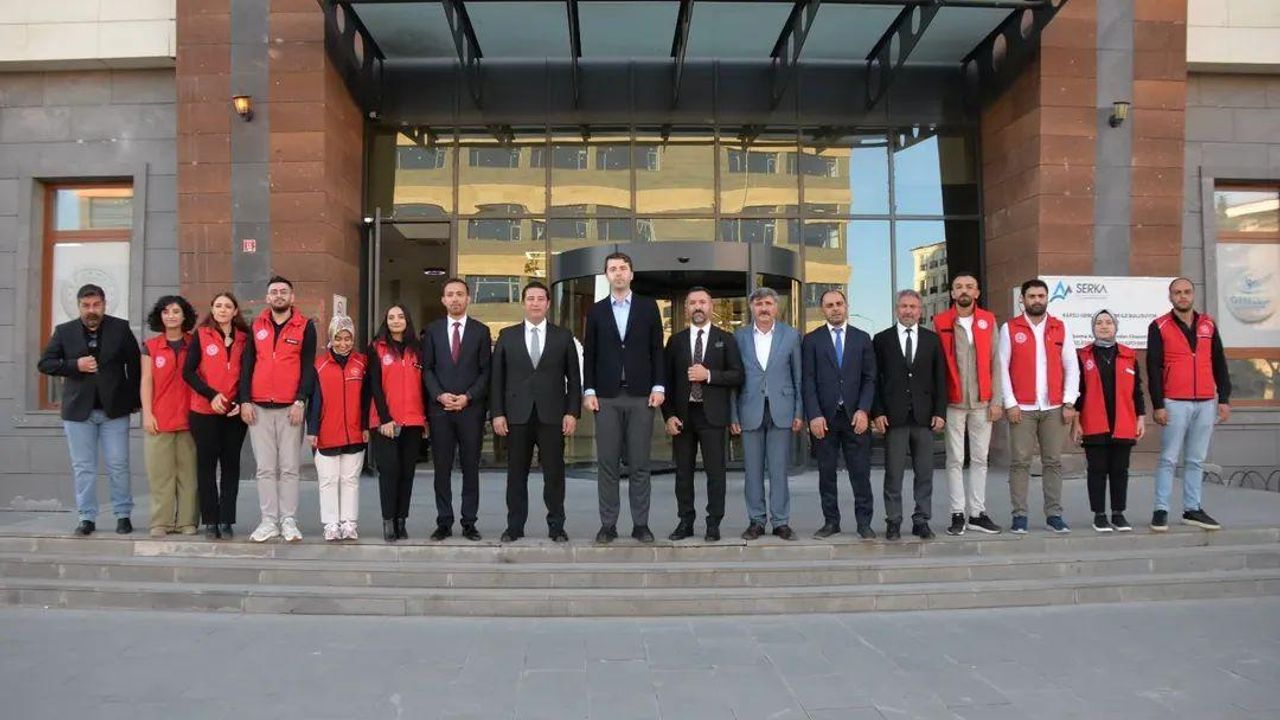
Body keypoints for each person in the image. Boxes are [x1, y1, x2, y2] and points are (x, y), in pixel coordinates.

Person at [37, 284, 141, 536]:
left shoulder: (120, 328)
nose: (91, 310)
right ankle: (86, 517)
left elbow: (135, 366)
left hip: (114, 411)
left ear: (104, 304)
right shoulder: (64, 331)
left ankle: (123, 515)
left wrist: (131, 401)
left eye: (96, 305)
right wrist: (75, 365)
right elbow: (45, 363)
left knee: (118, 465)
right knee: (83, 467)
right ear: (79, 306)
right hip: (77, 412)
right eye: (86, 305)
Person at [581, 252, 665, 544]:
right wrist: (589, 390)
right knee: (607, 464)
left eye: (623, 268)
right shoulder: (596, 311)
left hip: (641, 396)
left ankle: (641, 524)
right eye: (612, 269)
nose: (618, 273)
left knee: (640, 463)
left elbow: (657, 349)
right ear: (606, 275)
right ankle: (608, 525)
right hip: (606, 397)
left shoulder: (648, 307)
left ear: (631, 274)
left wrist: (659, 386)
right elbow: (590, 354)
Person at [490, 281, 582, 543]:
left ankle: (557, 526)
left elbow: (574, 379)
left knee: (554, 474)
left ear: (548, 303)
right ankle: (514, 527)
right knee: (516, 475)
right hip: (516, 415)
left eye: (540, 299)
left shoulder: (563, 336)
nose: (535, 303)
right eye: (530, 298)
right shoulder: (507, 336)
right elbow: (497, 379)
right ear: (523, 303)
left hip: (552, 415)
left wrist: (572, 412)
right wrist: (497, 413)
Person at [1147, 277, 1231, 532]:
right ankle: (1161, 510)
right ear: (1170, 297)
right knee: (1168, 458)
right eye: (1177, 293)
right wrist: (1158, 404)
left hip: (1205, 402)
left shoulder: (1208, 324)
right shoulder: (1159, 326)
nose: (1182, 296)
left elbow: (1219, 361)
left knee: (1196, 460)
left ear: (1193, 295)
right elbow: (1153, 367)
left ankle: (1192, 509)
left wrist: (1224, 398)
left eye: (1186, 292)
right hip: (1174, 401)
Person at [662, 287, 743, 542]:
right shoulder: (675, 341)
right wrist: (668, 415)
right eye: (693, 303)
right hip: (683, 417)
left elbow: (738, 375)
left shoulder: (726, 339)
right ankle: (685, 521)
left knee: (715, 473)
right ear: (687, 308)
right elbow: (666, 382)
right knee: (683, 474)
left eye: (703, 302)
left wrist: (708, 375)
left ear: (711, 307)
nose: (698, 307)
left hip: (713, 416)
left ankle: (713, 523)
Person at [240, 276, 317, 543]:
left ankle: (288, 520)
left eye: (284, 291)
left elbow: (308, 367)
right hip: (259, 407)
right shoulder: (256, 325)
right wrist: (245, 400)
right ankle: (268, 521)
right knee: (265, 468)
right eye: (274, 292)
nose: (279, 295)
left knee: (289, 468)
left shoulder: (305, 326)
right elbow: (247, 364)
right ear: (267, 297)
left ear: (292, 297)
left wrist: (300, 400)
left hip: (290, 409)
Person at [1000, 278, 1079, 534]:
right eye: (1032, 296)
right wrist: (1010, 403)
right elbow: (1002, 368)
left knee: (1053, 462)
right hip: (1021, 408)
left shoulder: (1060, 328)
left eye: (1041, 296)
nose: (1037, 300)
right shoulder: (1010, 328)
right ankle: (1019, 516)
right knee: (1020, 462)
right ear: (1022, 299)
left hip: (1054, 408)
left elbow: (1072, 366)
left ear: (1047, 298)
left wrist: (1069, 401)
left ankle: (1054, 515)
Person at [932, 272, 1004, 536]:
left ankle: (977, 513)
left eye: (969, 286)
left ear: (977, 293)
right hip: (953, 401)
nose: (964, 290)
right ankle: (957, 513)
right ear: (952, 293)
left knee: (980, 459)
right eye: (959, 286)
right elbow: (935, 364)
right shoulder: (940, 321)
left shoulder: (988, 320)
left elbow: (996, 361)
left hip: (982, 401)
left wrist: (997, 400)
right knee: (954, 459)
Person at [802, 289, 877, 539]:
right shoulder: (812, 340)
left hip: (856, 417)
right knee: (826, 474)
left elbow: (870, 378)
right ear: (823, 309)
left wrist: (864, 410)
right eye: (829, 305)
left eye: (838, 304)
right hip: (825, 418)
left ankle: (864, 523)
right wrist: (814, 414)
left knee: (860, 473)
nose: (835, 308)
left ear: (846, 306)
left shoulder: (862, 338)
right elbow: (808, 380)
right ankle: (831, 522)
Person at [872, 290, 946, 541]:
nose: (908, 311)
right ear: (897, 309)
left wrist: (940, 412)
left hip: (924, 417)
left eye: (913, 306)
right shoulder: (881, 339)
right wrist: (878, 412)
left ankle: (921, 520)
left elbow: (940, 378)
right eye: (904, 306)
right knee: (893, 474)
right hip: (894, 418)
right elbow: (875, 379)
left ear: (920, 310)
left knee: (924, 473)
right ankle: (893, 521)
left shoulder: (932, 340)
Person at [731, 287, 804, 541]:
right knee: (752, 472)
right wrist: (733, 415)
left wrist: (799, 411)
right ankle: (756, 521)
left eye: (768, 304)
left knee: (778, 470)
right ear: (751, 307)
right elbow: (734, 379)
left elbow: (798, 377)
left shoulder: (791, 335)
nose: (764, 308)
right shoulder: (739, 337)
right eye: (759, 304)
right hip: (749, 409)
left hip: (782, 409)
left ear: (776, 307)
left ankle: (781, 522)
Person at [422, 278, 491, 541]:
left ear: (468, 298)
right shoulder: (432, 331)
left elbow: (486, 372)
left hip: (470, 411)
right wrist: (439, 395)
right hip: (440, 411)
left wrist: (468, 397)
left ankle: (469, 522)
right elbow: (427, 369)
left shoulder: (480, 331)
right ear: (443, 300)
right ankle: (444, 521)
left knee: (471, 468)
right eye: (450, 294)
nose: (455, 299)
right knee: (441, 469)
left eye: (460, 294)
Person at [184, 292, 250, 540]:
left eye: (228, 306)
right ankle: (210, 520)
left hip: (233, 413)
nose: (223, 310)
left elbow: (248, 374)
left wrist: (240, 401)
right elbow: (188, 372)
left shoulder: (245, 338)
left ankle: (226, 520)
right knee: (206, 467)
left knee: (231, 466)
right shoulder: (201, 335)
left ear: (235, 311)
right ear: (212, 310)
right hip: (204, 411)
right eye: (218, 306)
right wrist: (211, 395)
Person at [1072, 310, 1145, 533]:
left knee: (1120, 470)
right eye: (1099, 323)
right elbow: (1078, 391)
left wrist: (1141, 418)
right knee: (1097, 470)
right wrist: (1076, 421)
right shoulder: (1083, 356)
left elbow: (1137, 390)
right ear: (1093, 327)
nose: (1104, 326)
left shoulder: (1129, 355)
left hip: (1123, 421)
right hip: (1094, 422)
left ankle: (1118, 513)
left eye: (1108, 322)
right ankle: (1100, 515)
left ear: (1116, 326)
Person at [140, 295, 198, 538]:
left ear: (185, 316)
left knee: (188, 475)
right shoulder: (150, 346)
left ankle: (187, 522)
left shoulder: (195, 343)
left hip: (190, 418)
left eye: (176, 311)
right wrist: (147, 413)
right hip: (160, 420)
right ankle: (160, 522)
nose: (171, 316)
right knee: (160, 475)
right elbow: (146, 381)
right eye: (166, 312)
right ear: (160, 316)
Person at [368, 304, 427, 542]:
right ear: (386, 321)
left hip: (413, 420)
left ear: (407, 320)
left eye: (400, 316)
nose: (396, 321)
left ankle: (402, 520)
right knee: (389, 472)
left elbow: (423, 386)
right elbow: (374, 385)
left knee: (407, 473)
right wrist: (385, 418)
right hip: (385, 422)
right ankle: (388, 521)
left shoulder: (418, 350)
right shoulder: (376, 348)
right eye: (391, 317)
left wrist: (425, 420)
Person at [306, 316, 369, 542]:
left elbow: (366, 399)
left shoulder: (362, 363)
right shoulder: (319, 365)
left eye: (347, 338)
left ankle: (349, 523)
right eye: (338, 338)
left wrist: (365, 426)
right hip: (327, 432)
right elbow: (314, 400)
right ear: (331, 338)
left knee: (350, 480)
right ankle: (331, 524)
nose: (343, 343)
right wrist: (312, 430)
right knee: (329, 480)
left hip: (355, 432)